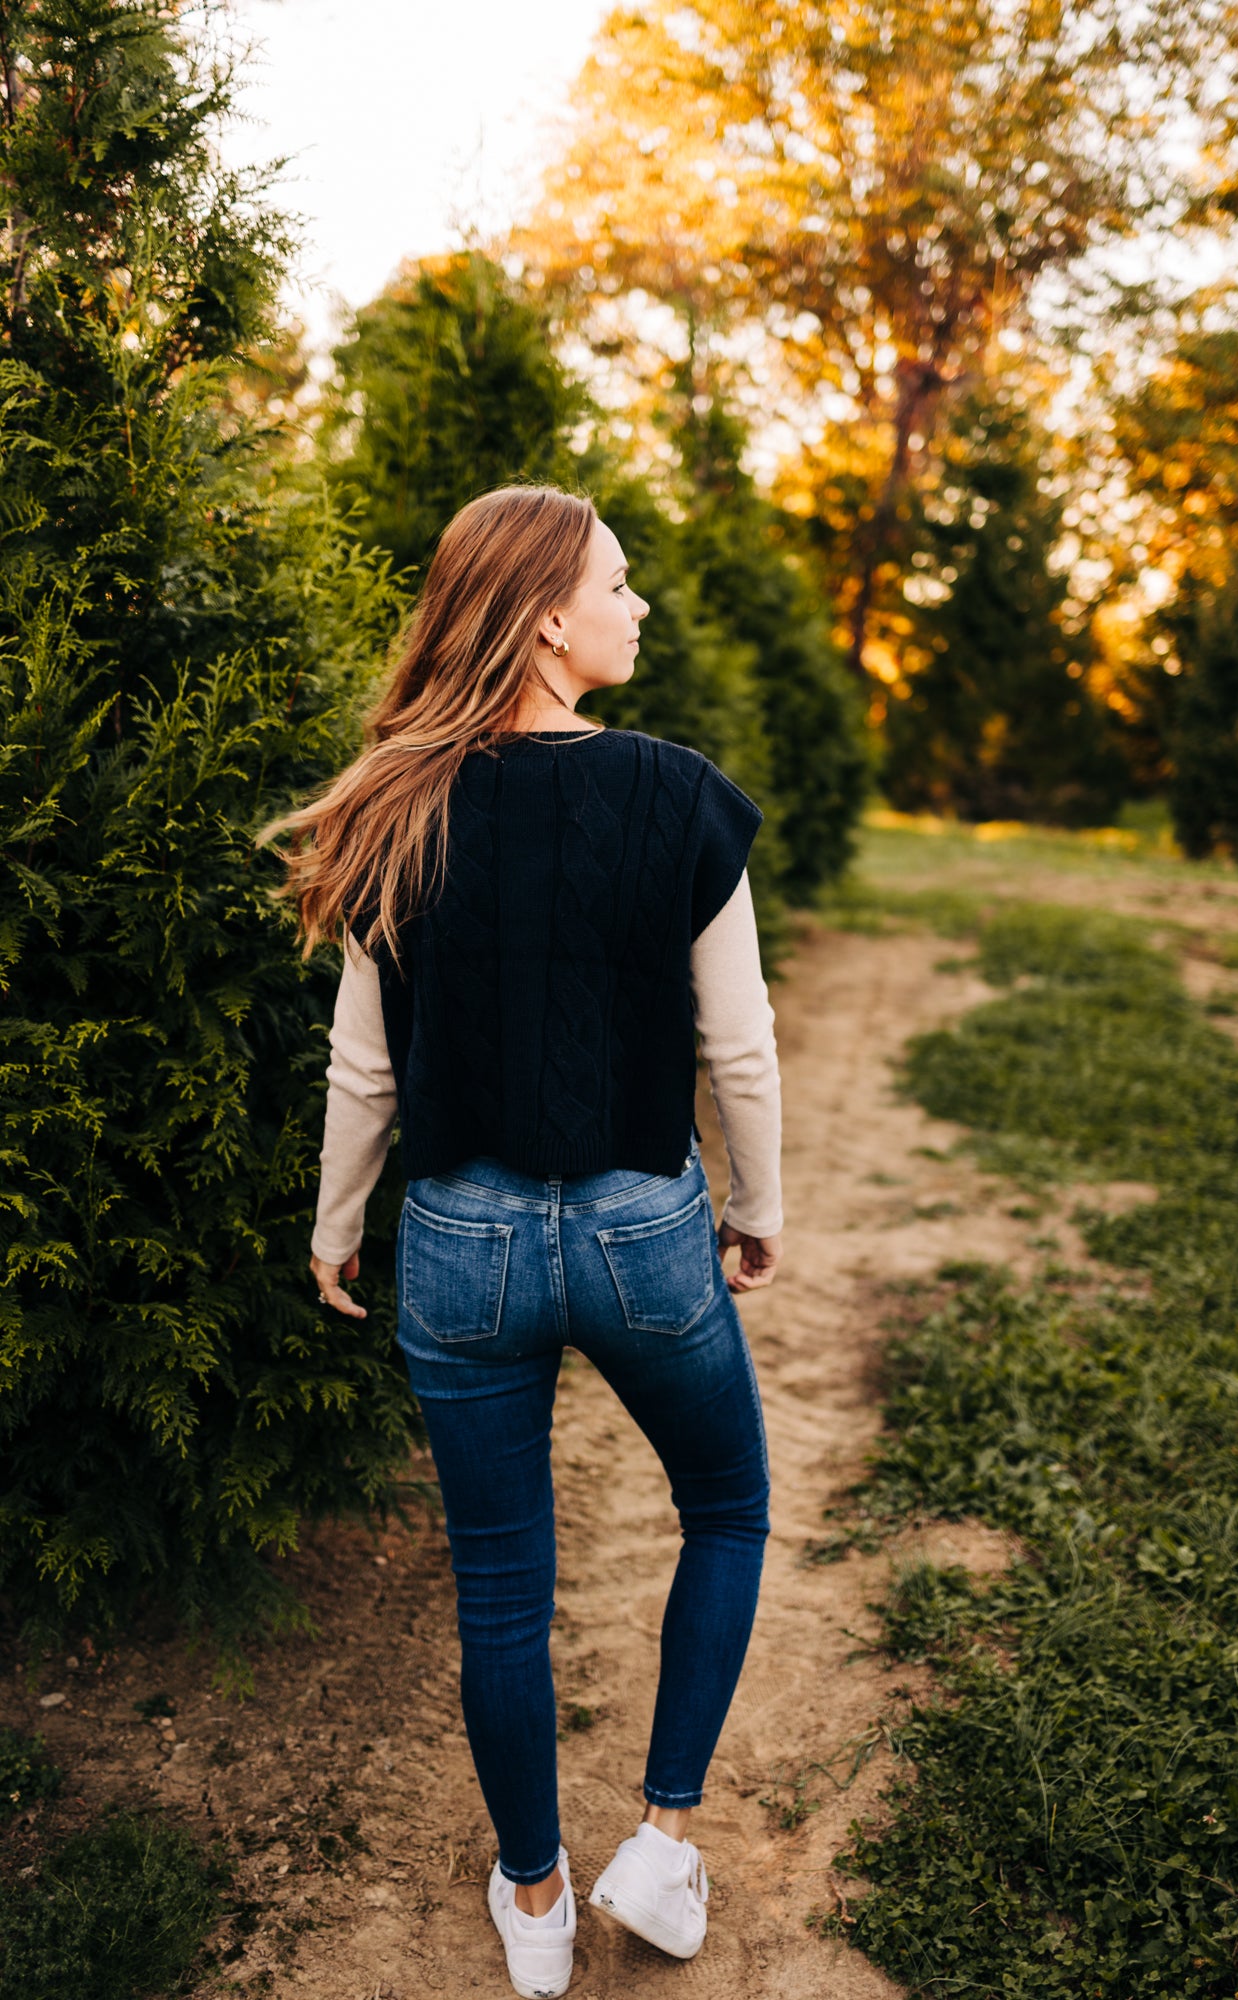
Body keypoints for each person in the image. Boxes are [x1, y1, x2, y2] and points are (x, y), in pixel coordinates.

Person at [264, 485, 782, 2000]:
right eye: (617, 587)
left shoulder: (395, 797)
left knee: (498, 1583)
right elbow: (736, 1045)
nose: (638, 610)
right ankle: (661, 1842)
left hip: (461, 1239)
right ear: (547, 617)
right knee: (730, 1510)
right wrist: (756, 1208)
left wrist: (333, 1228)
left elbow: (365, 1062)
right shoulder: (679, 794)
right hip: (640, 1229)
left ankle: (537, 1899)